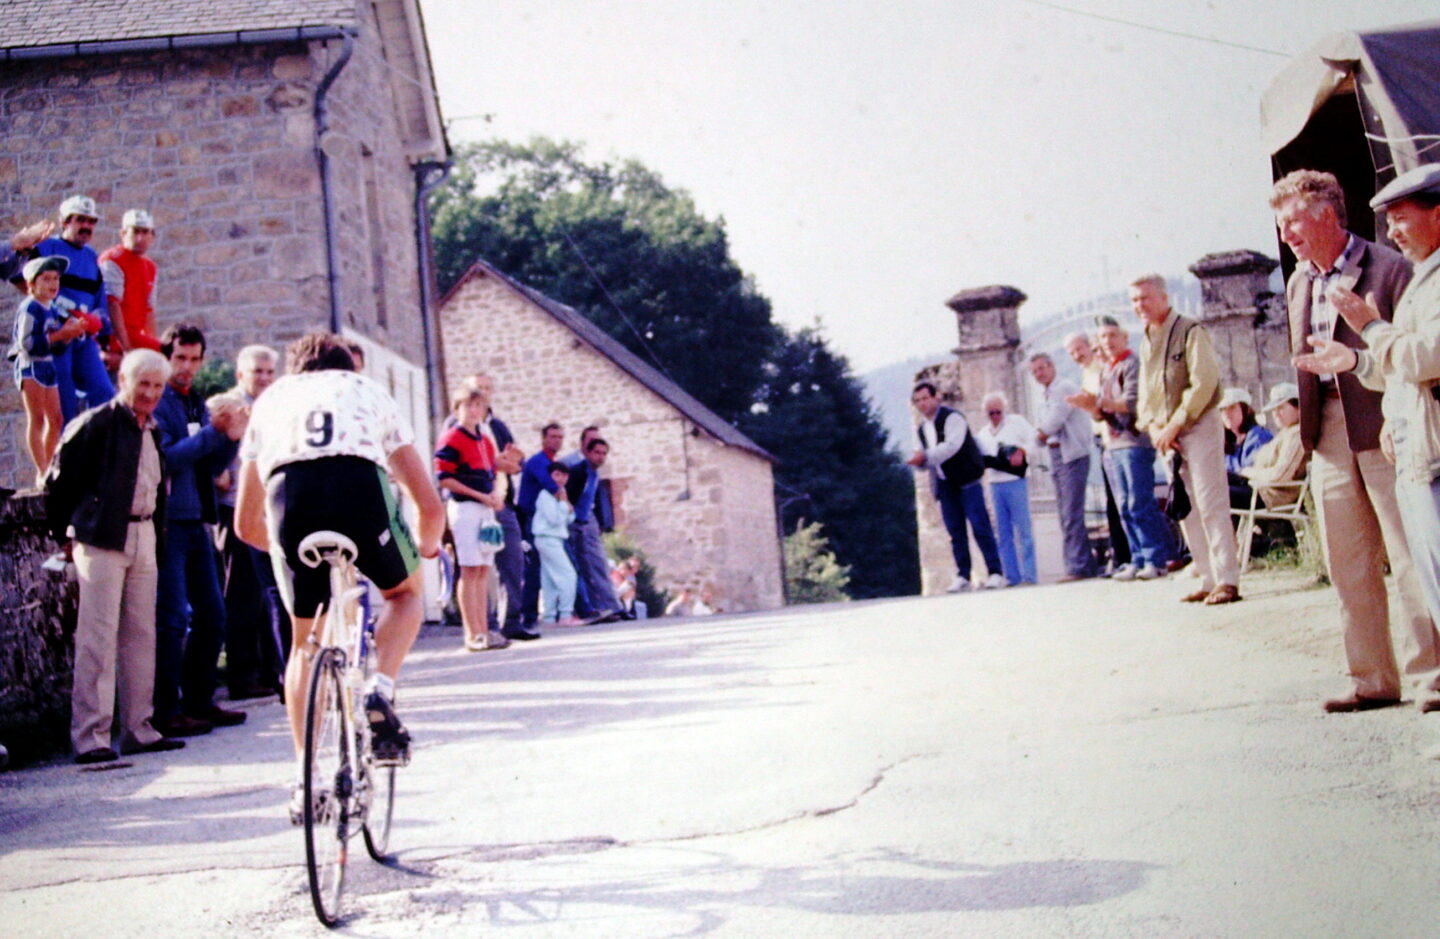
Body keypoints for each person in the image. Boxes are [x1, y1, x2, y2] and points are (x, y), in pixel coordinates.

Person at [234, 332, 444, 818]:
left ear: (295, 371)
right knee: (405, 595)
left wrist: (287, 553)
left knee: (303, 643)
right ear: (348, 367)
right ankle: (380, 688)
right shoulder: (367, 390)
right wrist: (426, 549)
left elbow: (245, 525)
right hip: (359, 491)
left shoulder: (271, 399)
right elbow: (429, 506)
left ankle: (305, 778)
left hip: (290, 500)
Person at [1273, 168, 1438, 712]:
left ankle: (1432, 676)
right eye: (1282, 225)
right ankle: (1371, 679)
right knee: (1347, 561)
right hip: (1327, 431)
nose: (1286, 235)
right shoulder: (1298, 282)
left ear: (1327, 215)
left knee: (1409, 554)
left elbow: (1408, 348)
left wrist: (1393, 414)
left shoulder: (1389, 267)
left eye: (1294, 221)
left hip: (1383, 420)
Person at [44, 349, 184, 763]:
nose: (150, 394)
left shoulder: (152, 429)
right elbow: (59, 483)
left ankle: (139, 728)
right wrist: (65, 537)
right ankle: (91, 737)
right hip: (101, 538)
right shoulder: (96, 423)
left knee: (141, 635)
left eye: (157, 386)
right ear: (123, 381)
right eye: (143, 384)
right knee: (98, 638)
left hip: (143, 534)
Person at [152, 324, 247, 738]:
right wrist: (214, 433)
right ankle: (166, 710)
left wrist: (230, 439)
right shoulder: (160, 401)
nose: (187, 367)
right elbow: (166, 460)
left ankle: (199, 701)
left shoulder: (194, 402)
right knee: (173, 619)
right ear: (167, 357)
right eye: (180, 358)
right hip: (169, 523)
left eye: (194, 359)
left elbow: (210, 467)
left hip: (198, 521)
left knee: (213, 615)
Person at [1131, 274, 1241, 604]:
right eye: (1134, 300)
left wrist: (1175, 424)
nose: (1139, 305)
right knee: (1186, 507)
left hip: (1198, 425)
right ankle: (1207, 578)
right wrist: (1154, 428)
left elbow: (1204, 382)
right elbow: (1145, 395)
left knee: (1211, 502)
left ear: (1164, 297)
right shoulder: (1146, 340)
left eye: (1145, 298)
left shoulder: (1191, 331)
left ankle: (1227, 580)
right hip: (1168, 436)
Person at [1069, 318, 1172, 580]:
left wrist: (1099, 401)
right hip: (1113, 444)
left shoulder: (1131, 364)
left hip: (1134, 442)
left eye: (1113, 335)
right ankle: (1137, 558)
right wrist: (1092, 408)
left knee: (1140, 502)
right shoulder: (1108, 369)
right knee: (1124, 505)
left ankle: (1155, 558)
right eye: (1103, 337)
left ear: (1124, 337)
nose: (1108, 341)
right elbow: (1103, 412)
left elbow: (1131, 402)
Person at [214, 346, 288, 701]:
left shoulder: (275, 406)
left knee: (269, 595)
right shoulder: (224, 406)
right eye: (257, 371)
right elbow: (213, 453)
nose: (264, 378)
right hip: (236, 509)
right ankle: (242, 676)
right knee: (242, 596)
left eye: (270, 371)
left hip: (268, 511)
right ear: (240, 374)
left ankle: (270, 671)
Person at [9, 195, 115, 422]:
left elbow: (100, 306)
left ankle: (100, 444)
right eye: (80, 220)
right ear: (65, 221)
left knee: (104, 395)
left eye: (91, 221)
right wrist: (48, 308)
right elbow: (14, 274)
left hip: (82, 339)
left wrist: (97, 324)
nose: (86, 226)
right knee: (63, 406)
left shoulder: (92, 258)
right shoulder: (46, 248)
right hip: (54, 337)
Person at [906, 381, 1006, 591]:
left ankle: (995, 572)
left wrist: (924, 457)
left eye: (925, 398)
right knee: (955, 531)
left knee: (980, 526)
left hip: (968, 479)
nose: (922, 404)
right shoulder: (922, 429)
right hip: (945, 484)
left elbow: (951, 446)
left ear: (936, 397)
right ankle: (963, 575)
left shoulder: (953, 418)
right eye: (918, 401)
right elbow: (921, 455)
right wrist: (919, 462)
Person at [434, 387, 510, 652]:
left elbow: (492, 473)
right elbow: (445, 478)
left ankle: (484, 630)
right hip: (465, 508)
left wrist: (495, 495)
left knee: (482, 570)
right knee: (469, 569)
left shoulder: (484, 440)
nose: (474, 411)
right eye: (468, 406)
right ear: (457, 410)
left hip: (484, 509)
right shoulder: (451, 438)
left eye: (478, 406)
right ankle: (472, 633)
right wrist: (479, 495)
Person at [462, 374, 536, 641]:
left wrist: (514, 462)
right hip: (474, 502)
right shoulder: (457, 426)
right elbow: (459, 464)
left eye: (487, 389)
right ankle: (485, 625)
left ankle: (511, 621)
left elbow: (515, 462)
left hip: (502, 502)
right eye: (477, 389)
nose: (483, 393)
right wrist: (495, 464)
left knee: (513, 560)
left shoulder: (498, 426)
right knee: (478, 567)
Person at [10, 256, 84, 482]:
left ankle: (51, 465)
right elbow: (27, 344)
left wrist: (68, 335)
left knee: (56, 418)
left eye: (56, 279)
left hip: (48, 365)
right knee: (38, 418)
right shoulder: (30, 307)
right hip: (31, 366)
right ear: (32, 284)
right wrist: (61, 334)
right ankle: (41, 470)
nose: (53, 284)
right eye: (46, 279)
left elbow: (56, 346)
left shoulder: (51, 308)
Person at [1031, 351, 1099, 580]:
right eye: (1034, 371)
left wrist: (1037, 436)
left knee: (1071, 513)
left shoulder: (1063, 388)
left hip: (1071, 455)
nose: (1038, 374)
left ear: (1052, 366)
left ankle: (1077, 567)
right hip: (1057, 454)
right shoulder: (1046, 394)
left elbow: (1052, 422)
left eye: (1041, 368)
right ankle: (1085, 564)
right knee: (1065, 512)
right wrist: (1040, 435)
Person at [1067, 329, 1130, 572]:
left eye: (1080, 349)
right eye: (1072, 352)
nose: (1077, 355)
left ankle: (1126, 556)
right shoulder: (1087, 373)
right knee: (1113, 500)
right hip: (1101, 437)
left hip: (1114, 434)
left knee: (1120, 499)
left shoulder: (1101, 369)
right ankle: (1122, 555)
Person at [974, 391, 1037, 586]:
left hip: (1016, 480)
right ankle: (1011, 576)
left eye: (998, 411)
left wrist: (1022, 451)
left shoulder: (1017, 423)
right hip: (995, 483)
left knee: (1024, 530)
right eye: (990, 413)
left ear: (1004, 409)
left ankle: (1029, 575)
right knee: (1003, 533)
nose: (995, 416)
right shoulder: (982, 434)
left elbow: (1034, 439)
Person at [565, 436, 624, 621]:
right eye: (597, 453)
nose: (600, 457)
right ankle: (595, 608)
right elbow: (568, 496)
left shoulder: (594, 474)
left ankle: (607, 607)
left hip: (585, 523)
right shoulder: (579, 472)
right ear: (588, 453)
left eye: (604, 454)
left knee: (595, 565)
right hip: (573, 524)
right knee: (582, 567)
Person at [517, 422, 566, 625]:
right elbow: (551, 486)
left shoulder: (552, 462)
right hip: (531, 518)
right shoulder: (538, 461)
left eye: (560, 437)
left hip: (544, 520)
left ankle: (551, 612)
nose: (557, 440)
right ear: (544, 439)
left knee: (547, 567)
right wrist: (565, 501)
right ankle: (528, 614)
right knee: (533, 566)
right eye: (553, 436)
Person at [98, 209, 162, 353]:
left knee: (169, 350)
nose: (140, 238)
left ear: (152, 236)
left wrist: (152, 347)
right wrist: (126, 348)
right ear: (123, 233)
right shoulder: (113, 259)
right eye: (135, 231)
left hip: (135, 335)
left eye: (145, 232)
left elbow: (149, 311)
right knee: (169, 350)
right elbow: (112, 305)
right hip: (114, 336)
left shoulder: (150, 266)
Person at [532, 460, 582, 626]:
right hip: (547, 538)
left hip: (555, 539)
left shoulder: (560, 494)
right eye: (557, 475)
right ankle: (565, 614)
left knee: (550, 579)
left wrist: (564, 504)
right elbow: (554, 519)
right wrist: (562, 503)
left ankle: (549, 616)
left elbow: (569, 517)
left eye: (564, 475)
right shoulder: (545, 495)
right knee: (568, 574)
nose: (561, 479)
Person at [1220, 388, 1273, 476]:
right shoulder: (1229, 441)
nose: (1226, 413)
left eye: (1232, 407)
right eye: (1222, 409)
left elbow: (1251, 472)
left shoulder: (1258, 436)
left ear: (1246, 410)